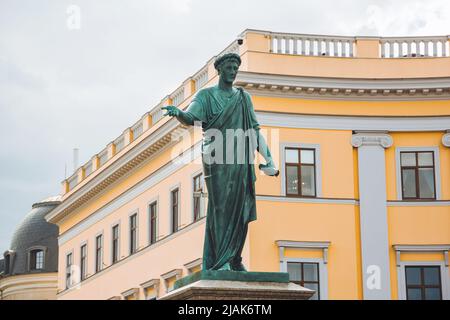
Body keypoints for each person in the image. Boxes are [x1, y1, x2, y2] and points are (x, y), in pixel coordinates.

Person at [162, 52, 278, 271]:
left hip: (241, 159)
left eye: (236, 68)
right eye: (229, 68)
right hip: (217, 157)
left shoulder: (243, 98)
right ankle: (221, 259)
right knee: (221, 208)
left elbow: (253, 131)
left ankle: (235, 258)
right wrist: (178, 113)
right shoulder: (206, 96)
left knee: (242, 209)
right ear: (220, 70)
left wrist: (269, 157)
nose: (233, 72)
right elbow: (191, 118)